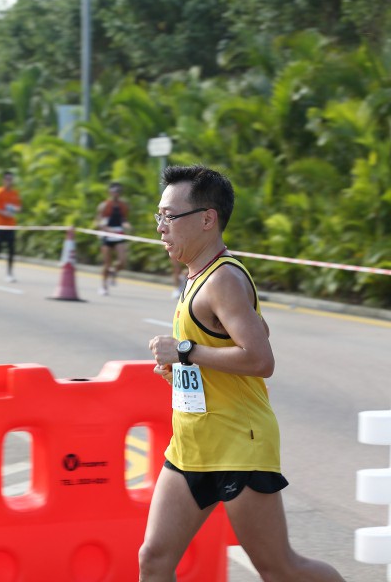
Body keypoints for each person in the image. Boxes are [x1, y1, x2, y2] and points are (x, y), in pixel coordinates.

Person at [142, 165, 345, 582]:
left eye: (170, 216)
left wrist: (185, 350)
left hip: (239, 445)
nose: (161, 227)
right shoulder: (197, 274)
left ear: (207, 219)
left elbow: (260, 359)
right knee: (154, 559)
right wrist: (181, 368)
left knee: (280, 568)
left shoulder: (223, 279)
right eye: (158, 216)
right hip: (192, 445)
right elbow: (234, 343)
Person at [95, 182, 131, 295]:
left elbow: (123, 220)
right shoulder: (104, 205)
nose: (117, 193)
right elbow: (97, 222)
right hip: (106, 235)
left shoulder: (123, 205)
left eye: (119, 191)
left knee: (122, 261)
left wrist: (127, 225)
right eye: (115, 191)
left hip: (118, 234)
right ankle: (103, 286)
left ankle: (114, 272)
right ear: (110, 192)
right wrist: (106, 229)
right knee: (107, 263)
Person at [0, 171, 22, 282]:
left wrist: (15, 209)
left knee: (11, 249)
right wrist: (2, 212)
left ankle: (9, 274)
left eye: (11, 179)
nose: (9, 181)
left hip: (10, 225)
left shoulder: (14, 193)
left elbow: (19, 207)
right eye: (7, 179)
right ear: (3, 180)